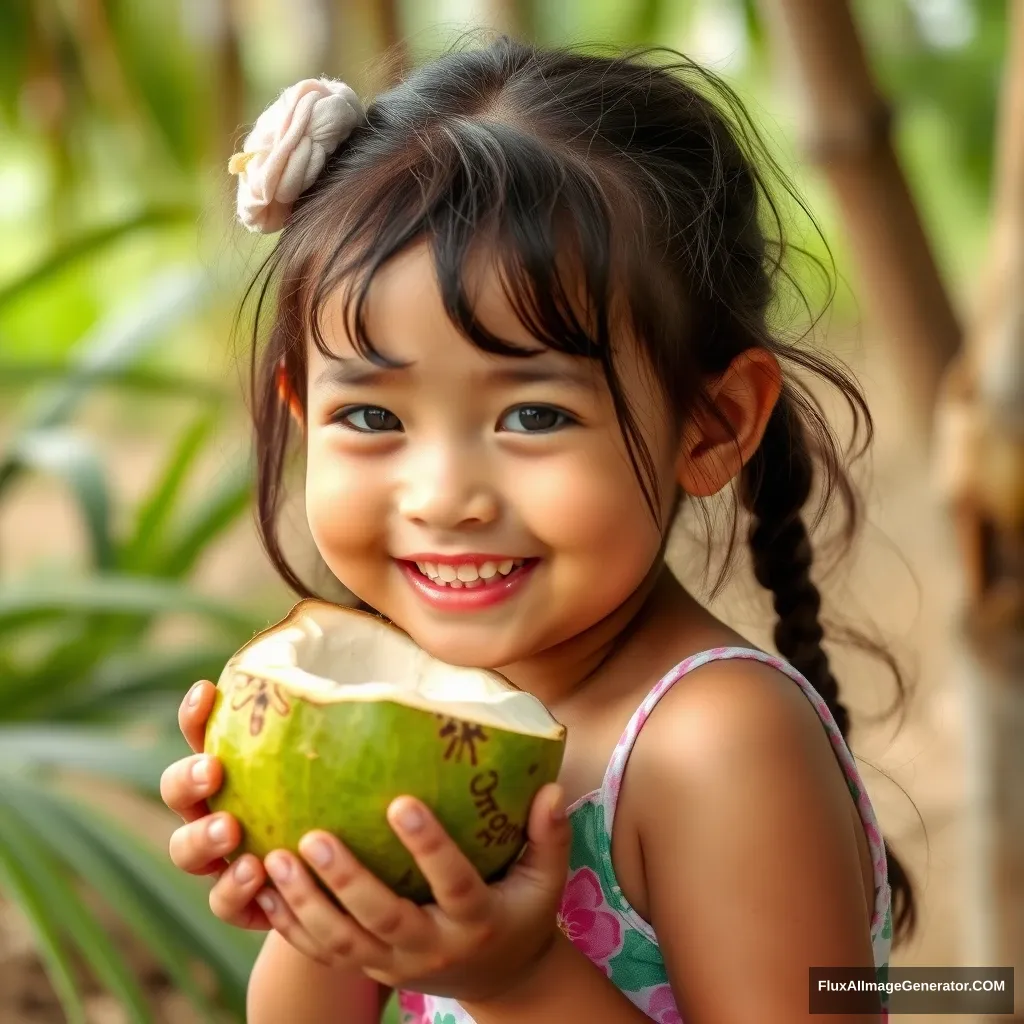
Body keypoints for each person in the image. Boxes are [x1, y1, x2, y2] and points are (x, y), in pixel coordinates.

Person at [159, 35, 915, 1024]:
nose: (444, 496)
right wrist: (314, 904)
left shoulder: (715, 746)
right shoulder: (439, 713)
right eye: (374, 418)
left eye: (532, 416)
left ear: (711, 424)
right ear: (304, 412)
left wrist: (516, 980)